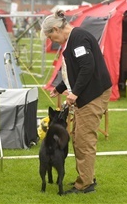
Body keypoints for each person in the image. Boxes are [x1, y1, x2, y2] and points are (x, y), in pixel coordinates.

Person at [41, 10, 112, 194]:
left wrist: (76, 93)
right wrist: (61, 87)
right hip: (88, 92)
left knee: (83, 139)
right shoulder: (73, 40)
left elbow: (88, 67)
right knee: (78, 136)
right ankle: (85, 178)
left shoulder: (78, 39)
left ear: (56, 28)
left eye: (51, 36)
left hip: (93, 93)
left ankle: (85, 185)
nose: (52, 41)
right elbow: (76, 70)